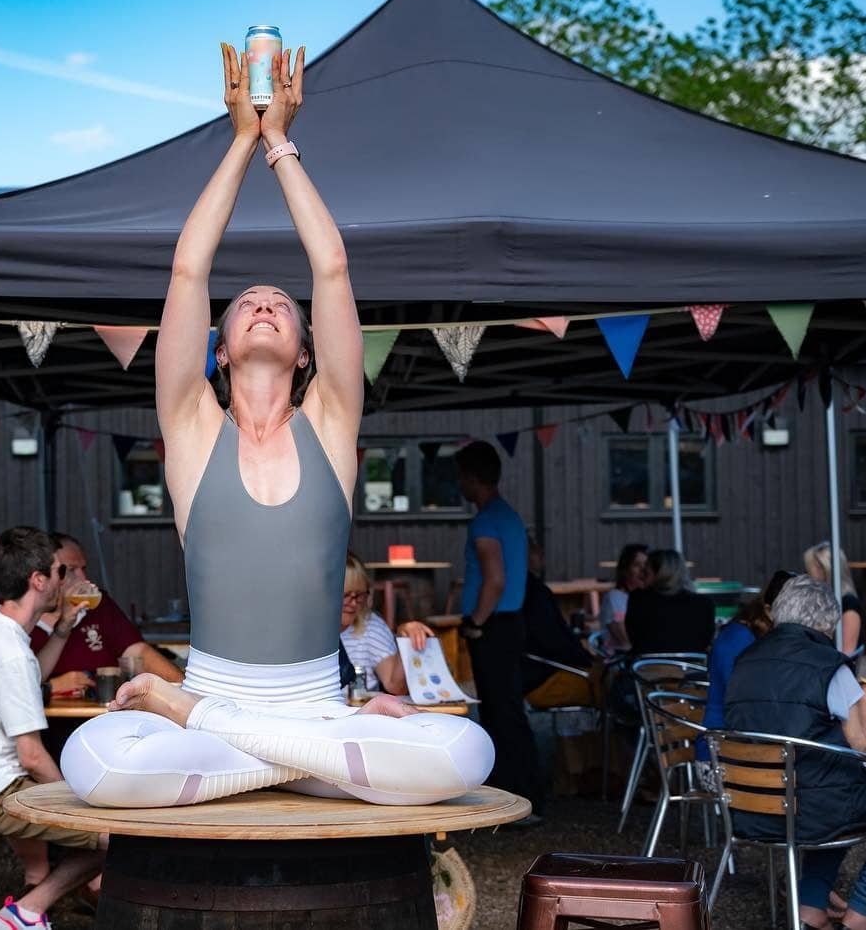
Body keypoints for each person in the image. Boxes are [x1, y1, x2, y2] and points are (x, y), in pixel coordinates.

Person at [60, 44, 492, 809]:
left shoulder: (330, 421)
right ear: (219, 351)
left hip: (298, 707)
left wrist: (282, 145)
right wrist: (237, 139)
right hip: (270, 717)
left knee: (467, 750)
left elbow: (331, 268)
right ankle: (311, 759)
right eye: (248, 304)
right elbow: (187, 272)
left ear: (305, 350)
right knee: (91, 759)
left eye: (281, 306)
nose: (266, 303)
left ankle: (227, 730)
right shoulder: (193, 428)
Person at [725, 574, 866, 930]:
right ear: (824, 621)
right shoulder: (828, 664)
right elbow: (864, 744)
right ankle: (860, 914)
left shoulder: (745, 660)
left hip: (750, 808)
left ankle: (811, 910)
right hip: (810, 809)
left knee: (832, 802)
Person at [0, 527, 105, 930]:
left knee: (108, 823)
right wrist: (79, 801)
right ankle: (26, 912)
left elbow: (29, 679)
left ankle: (29, 910)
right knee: (119, 834)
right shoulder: (9, 650)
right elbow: (30, 754)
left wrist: (63, 627)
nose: (65, 579)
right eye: (60, 570)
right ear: (39, 580)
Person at [449, 439, 543, 814]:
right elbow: (535, 560)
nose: (459, 484)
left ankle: (516, 797)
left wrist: (475, 622)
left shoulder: (486, 521)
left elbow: (495, 579)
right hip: (512, 621)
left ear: (472, 478)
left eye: (460, 477)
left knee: (501, 715)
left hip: (494, 626)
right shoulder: (510, 515)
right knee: (509, 711)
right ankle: (527, 794)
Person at [30, 533, 183, 696]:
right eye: (71, 570)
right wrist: (50, 687)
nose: (83, 577)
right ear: (43, 576)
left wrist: (186, 692)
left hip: (105, 716)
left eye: (84, 568)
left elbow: (138, 654)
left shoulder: (98, 605)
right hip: (52, 720)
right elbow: (8, 689)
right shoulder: (21, 619)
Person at [697, 570, 787, 762]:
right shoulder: (738, 639)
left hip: (749, 751)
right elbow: (743, 703)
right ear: (770, 611)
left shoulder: (761, 637)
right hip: (719, 757)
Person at [519, 535, 601, 709]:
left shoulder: (521, 589)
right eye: (534, 548)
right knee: (614, 684)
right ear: (520, 554)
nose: (541, 553)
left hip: (534, 674)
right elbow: (552, 639)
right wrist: (587, 660)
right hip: (544, 677)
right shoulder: (533, 593)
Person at [337, 552, 435, 696]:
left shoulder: (370, 626)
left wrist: (406, 640)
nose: (353, 603)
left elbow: (395, 686)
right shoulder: (307, 629)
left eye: (359, 595)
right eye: (345, 595)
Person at [623, 549, 715, 656]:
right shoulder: (704, 603)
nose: (641, 576)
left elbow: (634, 639)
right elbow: (705, 641)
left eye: (646, 572)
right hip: (690, 668)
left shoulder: (638, 599)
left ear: (660, 573)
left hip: (646, 668)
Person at [804, 541, 862, 655]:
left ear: (825, 569)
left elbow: (847, 654)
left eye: (810, 570)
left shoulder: (848, 604)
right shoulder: (823, 601)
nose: (807, 575)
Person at [597, 543, 648, 655]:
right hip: (621, 662)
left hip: (644, 659)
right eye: (637, 565)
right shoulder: (615, 597)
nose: (643, 570)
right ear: (625, 569)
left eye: (646, 565)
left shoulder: (647, 598)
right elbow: (625, 641)